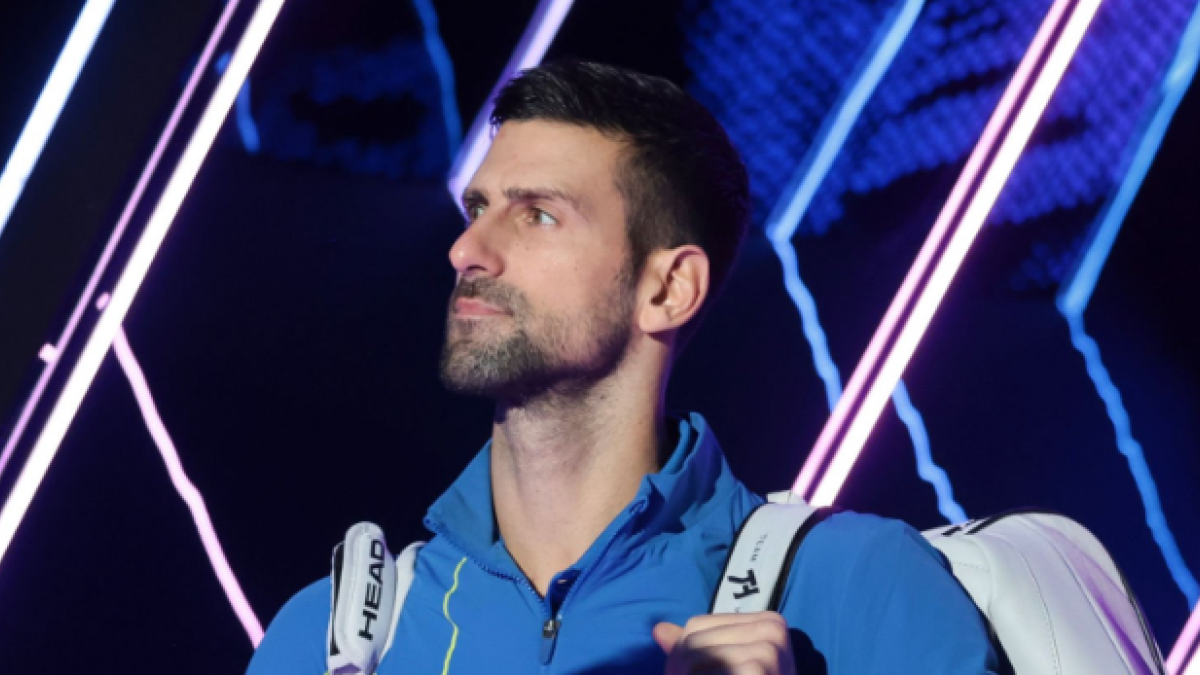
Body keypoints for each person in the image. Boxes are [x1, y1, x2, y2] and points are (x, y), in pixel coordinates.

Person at [246, 61, 998, 674]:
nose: (467, 250)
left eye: (538, 214)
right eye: (478, 208)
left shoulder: (856, 585)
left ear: (668, 289)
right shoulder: (332, 640)